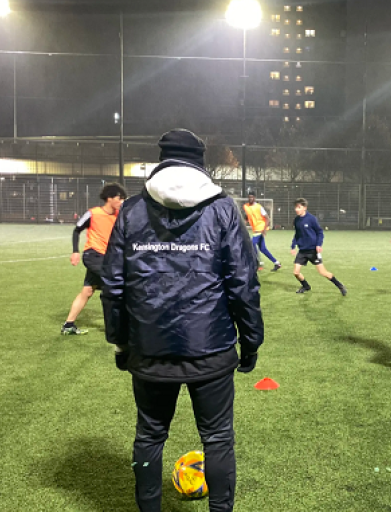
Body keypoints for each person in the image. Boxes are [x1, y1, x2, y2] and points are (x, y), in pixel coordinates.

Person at [101, 129, 263, 512]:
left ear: (162, 160)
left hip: (149, 349)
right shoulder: (222, 208)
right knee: (217, 439)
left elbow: (113, 284)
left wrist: (121, 342)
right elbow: (243, 281)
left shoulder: (132, 210)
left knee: (149, 436)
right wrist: (251, 340)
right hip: (211, 347)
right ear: (200, 162)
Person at [61, 182, 127, 335]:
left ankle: (68, 325)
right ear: (109, 198)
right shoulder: (93, 213)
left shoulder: (120, 216)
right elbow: (77, 230)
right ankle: (117, 327)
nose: (122, 201)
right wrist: (75, 251)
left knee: (88, 291)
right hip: (94, 255)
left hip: (108, 258)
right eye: (119, 198)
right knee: (117, 285)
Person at [290, 198, 347, 295]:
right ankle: (306, 286)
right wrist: (293, 246)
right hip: (302, 251)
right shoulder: (296, 220)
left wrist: (318, 245)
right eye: (296, 207)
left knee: (323, 272)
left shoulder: (312, 219)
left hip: (313, 251)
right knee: (296, 272)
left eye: (299, 207)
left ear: (305, 208)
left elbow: (320, 232)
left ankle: (340, 285)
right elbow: (297, 234)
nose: (296, 209)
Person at [243, 192, 281, 271]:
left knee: (252, 244)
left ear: (254, 198)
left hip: (260, 229)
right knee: (263, 249)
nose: (250, 198)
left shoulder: (259, 207)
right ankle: (277, 263)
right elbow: (247, 217)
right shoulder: (246, 206)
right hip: (255, 230)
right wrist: (243, 225)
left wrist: (264, 230)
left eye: (252, 197)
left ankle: (257, 263)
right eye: (249, 197)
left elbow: (267, 218)